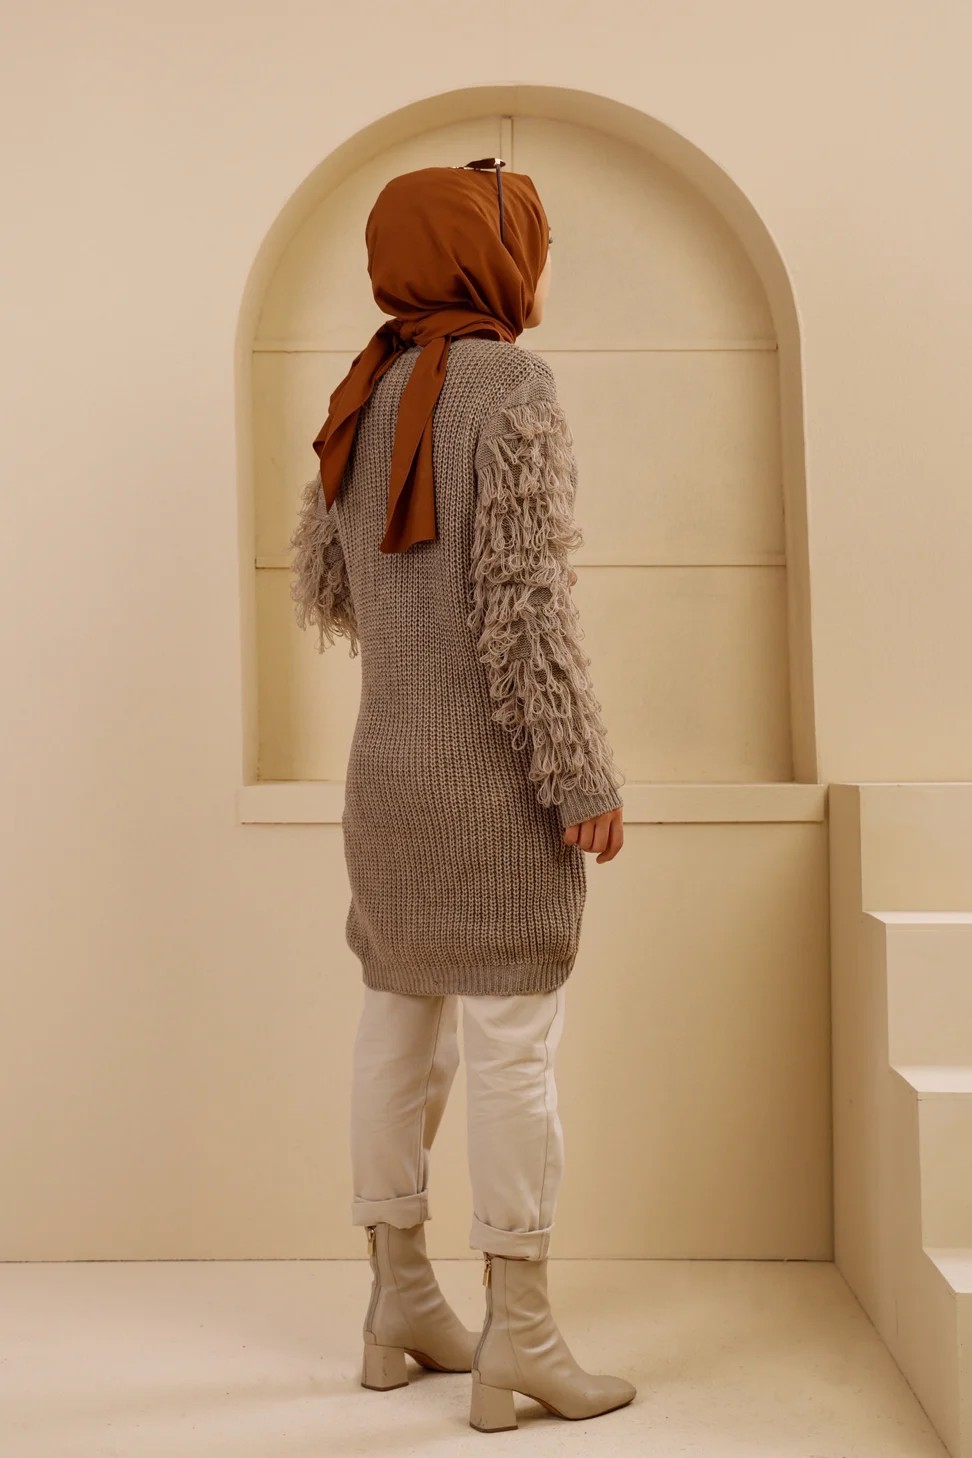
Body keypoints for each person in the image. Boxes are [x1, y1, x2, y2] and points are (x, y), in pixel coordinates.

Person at [289, 159, 635, 1432]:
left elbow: (330, 590)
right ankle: (520, 1337)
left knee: (396, 1029)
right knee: (511, 1051)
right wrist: (578, 768)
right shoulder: (511, 385)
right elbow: (525, 602)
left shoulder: (362, 389)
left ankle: (398, 1304)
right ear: (496, 254)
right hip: (492, 779)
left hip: (382, 772)